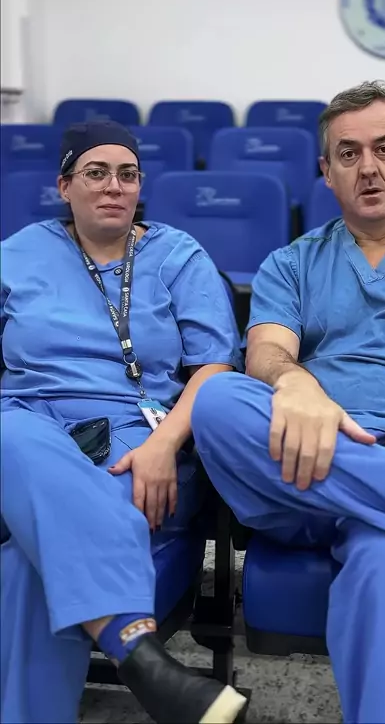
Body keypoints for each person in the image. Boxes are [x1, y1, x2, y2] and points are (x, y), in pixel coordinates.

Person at [191, 81, 385, 724]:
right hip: (315, 463)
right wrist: (295, 383)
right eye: (348, 154)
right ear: (326, 172)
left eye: (384, 148)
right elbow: (268, 351)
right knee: (218, 399)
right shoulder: (291, 264)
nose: (367, 167)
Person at [0, 120, 247, 724]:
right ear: (65, 185)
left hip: (138, 432)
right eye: (96, 173)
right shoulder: (19, 254)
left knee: (29, 560)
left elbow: (215, 367)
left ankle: (130, 658)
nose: (114, 186)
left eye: (127, 174)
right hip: (27, 421)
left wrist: (166, 445)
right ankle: (138, 653)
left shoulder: (177, 255)